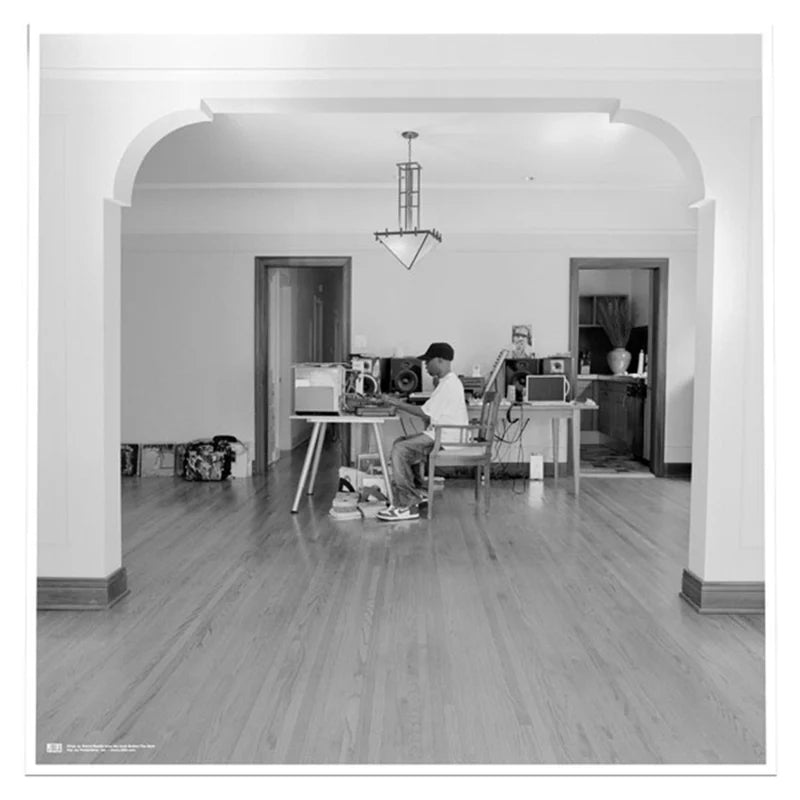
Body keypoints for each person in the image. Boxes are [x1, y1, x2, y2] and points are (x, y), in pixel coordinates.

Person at [376, 342, 468, 521]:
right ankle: (417, 492)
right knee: (400, 443)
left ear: (440, 361)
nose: (425, 365)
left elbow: (424, 412)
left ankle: (407, 504)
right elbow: (430, 413)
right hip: (442, 433)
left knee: (401, 449)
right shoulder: (446, 383)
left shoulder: (449, 385)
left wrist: (394, 402)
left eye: (428, 361)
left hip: (446, 438)